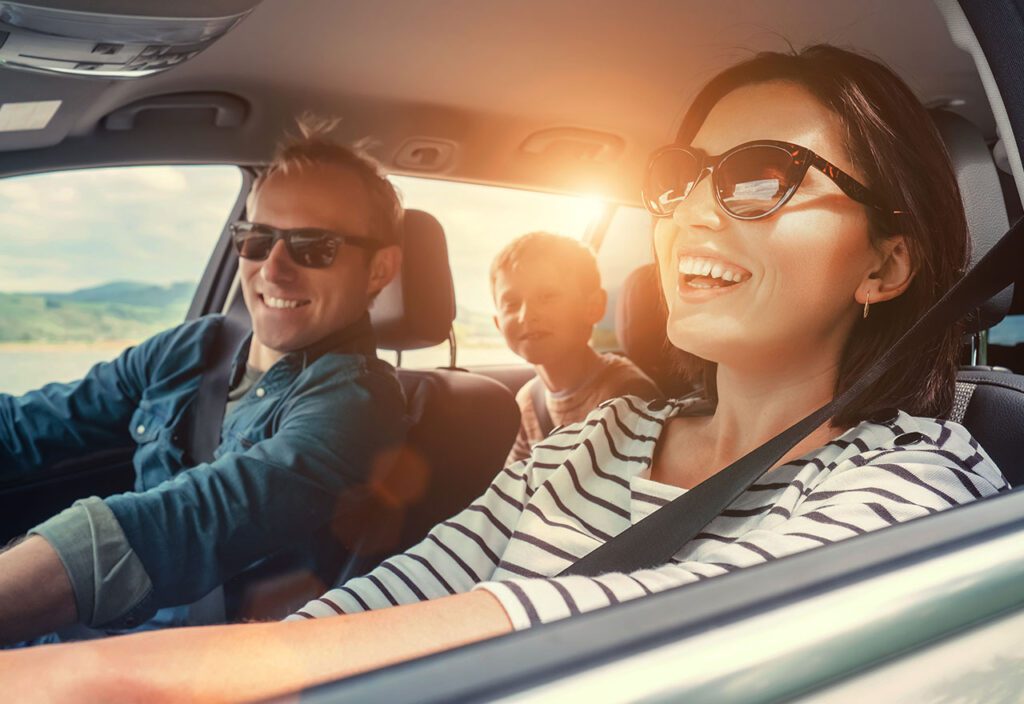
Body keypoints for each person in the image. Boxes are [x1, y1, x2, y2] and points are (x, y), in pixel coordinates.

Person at [0, 45, 1011, 701]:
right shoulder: (593, 439)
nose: (692, 212)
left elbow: (651, 626)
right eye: (677, 180)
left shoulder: (919, 479)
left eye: (757, 177)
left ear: (884, 263)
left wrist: (112, 677)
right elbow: (400, 594)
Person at [0, 120, 408, 645]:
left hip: (188, 662)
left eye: (314, 246)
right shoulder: (193, 349)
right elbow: (33, 423)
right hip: (92, 632)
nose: (273, 269)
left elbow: (193, 520)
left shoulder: (358, 401)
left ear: (379, 271)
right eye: (257, 240)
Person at [491, 231, 661, 463]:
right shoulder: (528, 400)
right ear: (498, 323)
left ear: (593, 306)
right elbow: (515, 486)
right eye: (511, 303)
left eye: (547, 296)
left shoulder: (627, 395)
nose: (526, 315)